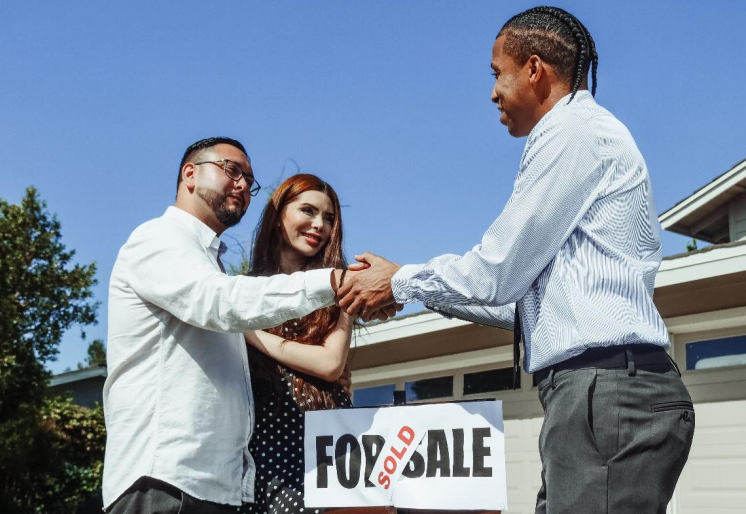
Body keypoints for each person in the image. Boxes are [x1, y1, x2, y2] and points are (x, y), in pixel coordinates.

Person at [338, 7, 694, 513]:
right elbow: (521, 306)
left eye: (496, 73)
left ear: (533, 69)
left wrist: (401, 282)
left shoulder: (573, 133)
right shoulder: (579, 134)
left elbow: (497, 272)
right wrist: (414, 289)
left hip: (606, 394)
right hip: (598, 395)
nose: (492, 92)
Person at [103, 138, 348, 514]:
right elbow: (219, 301)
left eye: (249, 181)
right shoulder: (158, 238)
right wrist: (337, 283)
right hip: (165, 483)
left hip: (218, 489)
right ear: (190, 174)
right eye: (232, 170)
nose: (242, 185)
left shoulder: (209, 263)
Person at [237, 173, 358, 514]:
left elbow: (330, 364)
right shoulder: (239, 291)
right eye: (308, 210)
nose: (319, 225)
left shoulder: (340, 291)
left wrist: (250, 332)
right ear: (278, 216)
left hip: (325, 451)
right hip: (260, 451)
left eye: (329, 218)